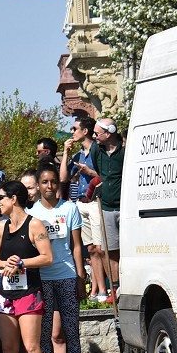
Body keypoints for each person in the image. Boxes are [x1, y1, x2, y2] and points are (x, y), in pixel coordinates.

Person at [0, 180, 58, 353]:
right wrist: (5, 263)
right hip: (5, 295)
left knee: (32, 347)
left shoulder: (34, 224)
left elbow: (47, 257)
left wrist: (21, 263)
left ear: (14, 199)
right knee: (9, 349)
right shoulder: (1, 227)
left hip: (29, 293)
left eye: (1, 198)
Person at [29, 164, 87, 353]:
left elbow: (76, 245)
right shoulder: (32, 213)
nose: (50, 187)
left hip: (66, 276)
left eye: (53, 182)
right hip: (42, 279)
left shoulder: (69, 208)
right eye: (44, 182)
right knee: (46, 337)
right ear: (38, 185)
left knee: (68, 333)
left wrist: (81, 277)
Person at [60, 117, 107, 301]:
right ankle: (98, 291)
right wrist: (65, 152)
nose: (72, 131)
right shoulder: (78, 155)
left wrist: (90, 173)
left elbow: (106, 176)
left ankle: (106, 290)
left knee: (100, 247)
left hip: (95, 201)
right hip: (80, 203)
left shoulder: (98, 150)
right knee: (91, 249)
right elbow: (63, 177)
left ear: (85, 131)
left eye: (75, 128)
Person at [83, 117, 123, 300]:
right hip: (106, 207)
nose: (94, 136)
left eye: (97, 133)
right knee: (109, 249)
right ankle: (115, 288)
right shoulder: (96, 151)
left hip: (125, 207)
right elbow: (100, 173)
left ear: (109, 133)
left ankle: (126, 285)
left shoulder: (125, 150)